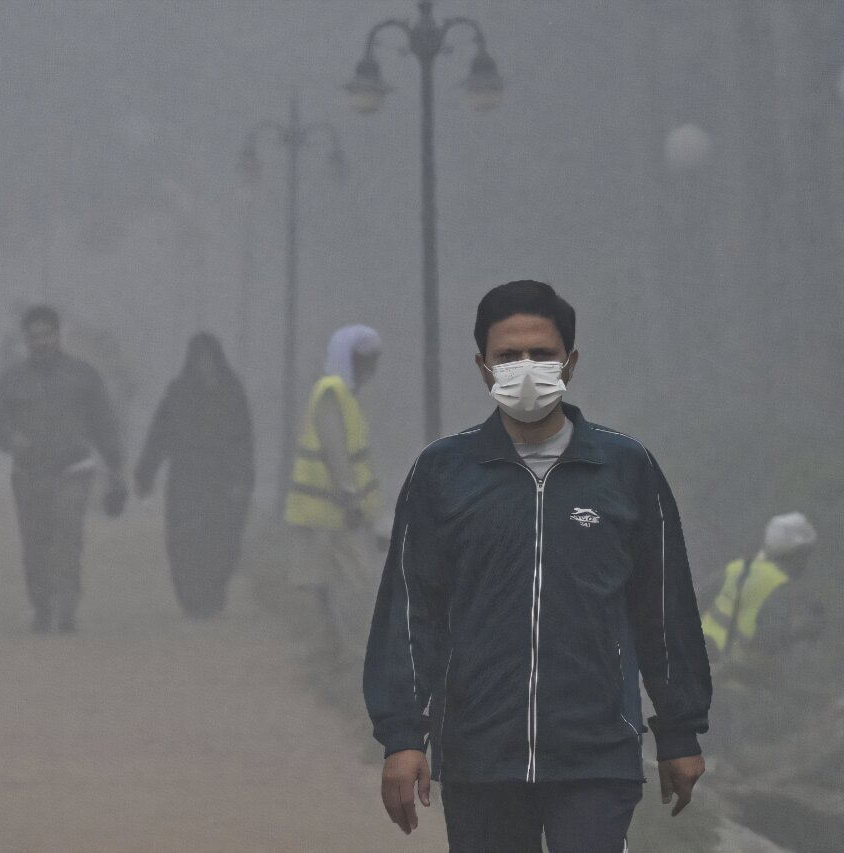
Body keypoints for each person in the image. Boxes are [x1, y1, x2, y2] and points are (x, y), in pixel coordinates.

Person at [364, 281, 711, 852]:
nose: (525, 368)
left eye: (542, 355)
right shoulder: (444, 473)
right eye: (507, 356)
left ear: (569, 363)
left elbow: (664, 607)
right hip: (481, 752)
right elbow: (409, 610)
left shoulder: (625, 469)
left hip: (597, 751)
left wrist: (679, 732)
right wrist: (403, 737)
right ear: (483, 367)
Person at [0, 305, 126, 634]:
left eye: (46, 334)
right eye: (33, 336)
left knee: (67, 539)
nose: (41, 342)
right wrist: (10, 438)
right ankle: (41, 606)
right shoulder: (11, 380)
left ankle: (66, 608)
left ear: (58, 335)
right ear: (26, 340)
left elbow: (104, 424)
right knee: (35, 542)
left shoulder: (84, 376)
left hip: (73, 471)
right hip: (29, 474)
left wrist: (116, 468)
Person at [284, 325, 384, 666]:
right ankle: (349, 654)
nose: (370, 368)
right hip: (331, 510)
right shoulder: (332, 392)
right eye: (364, 361)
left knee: (327, 582)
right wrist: (349, 495)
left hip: (333, 509)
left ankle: (336, 652)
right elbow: (335, 449)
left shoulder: (342, 393)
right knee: (349, 582)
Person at [134, 333, 254, 618]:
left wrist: (243, 480)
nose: (205, 367)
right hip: (186, 481)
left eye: (209, 360)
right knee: (184, 543)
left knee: (222, 542)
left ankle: (214, 593)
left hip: (223, 483)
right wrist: (145, 473)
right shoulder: (178, 393)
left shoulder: (232, 392)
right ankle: (190, 598)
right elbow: (159, 435)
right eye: (199, 361)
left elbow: (244, 441)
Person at [701, 512, 819, 663]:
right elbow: (765, 644)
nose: (805, 562)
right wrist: (796, 633)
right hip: (731, 679)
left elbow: (693, 603)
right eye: (804, 554)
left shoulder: (736, 568)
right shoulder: (780, 588)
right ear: (793, 553)